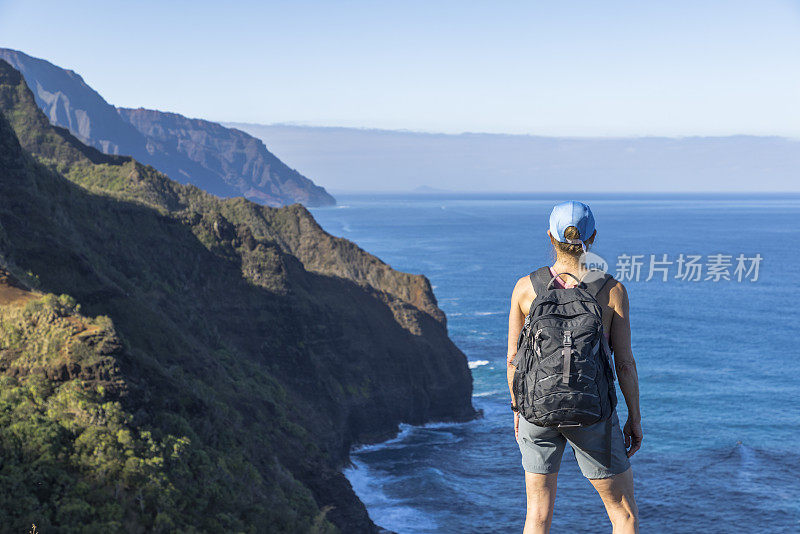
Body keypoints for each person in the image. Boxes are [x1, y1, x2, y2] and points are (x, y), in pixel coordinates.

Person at [506, 201, 642, 534]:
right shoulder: (612, 291)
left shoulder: (526, 288)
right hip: (593, 412)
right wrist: (634, 418)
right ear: (592, 237)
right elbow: (623, 364)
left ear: (550, 237)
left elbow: (513, 359)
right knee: (623, 514)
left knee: (537, 515)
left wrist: (518, 411)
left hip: (535, 413)